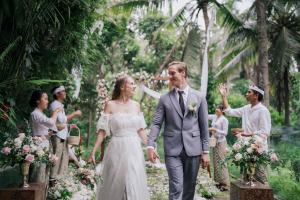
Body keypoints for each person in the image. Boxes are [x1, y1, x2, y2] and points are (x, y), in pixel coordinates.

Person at [148, 61, 210, 200]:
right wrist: (151, 144)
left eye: (172, 73)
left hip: (193, 148)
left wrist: (205, 151)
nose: (169, 76)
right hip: (172, 149)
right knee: (176, 186)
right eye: (168, 73)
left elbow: (204, 126)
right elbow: (157, 123)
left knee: (190, 187)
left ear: (183, 73)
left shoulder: (199, 97)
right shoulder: (164, 99)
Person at [89, 75, 149, 200]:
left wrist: (150, 146)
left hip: (134, 149)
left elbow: (141, 129)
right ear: (122, 87)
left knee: (132, 180)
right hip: (116, 148)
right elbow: (102, 130)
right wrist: (93, 151)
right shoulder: (110, 105)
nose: (134, 86)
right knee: (115, 183)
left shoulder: (136, 105)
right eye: (131, 84)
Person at [219, 83, 271, 184]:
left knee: (261, 181)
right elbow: (229, 112)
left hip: (258, 152)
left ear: (256, 96)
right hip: (245, 151)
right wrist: (224, 96)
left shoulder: (263, 111)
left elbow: (265, 132)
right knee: (246, 181)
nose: (246, 94)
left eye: (249, 92)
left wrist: (245, 134)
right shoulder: (246, 108)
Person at [49, 85, 82, 184]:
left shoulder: (59, 104)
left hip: (62, 136)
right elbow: (61, 120)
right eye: (63, 91)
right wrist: (75, 114)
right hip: (57, 136)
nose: (65, 93)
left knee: (62, 158)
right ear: (57, 94)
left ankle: (58, 181)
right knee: (56, 158)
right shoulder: (55, 104)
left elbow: (63, 122)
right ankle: (52, 180)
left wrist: (69, 125)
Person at [29, 90, 61, 184]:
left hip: (44, 147)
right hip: (39, 148)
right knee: (38, 178)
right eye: (45, 99)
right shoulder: (35, 113)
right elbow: (51, 122)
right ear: (38, 101)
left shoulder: (41, 114)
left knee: (44, 177)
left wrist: (49, 133)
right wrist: (55, 112)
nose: (47, 101)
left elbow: (44, 130)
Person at [208, 105, 230, 191]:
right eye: (216, 108)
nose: (216, 109)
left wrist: (215, 129)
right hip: (214, 141)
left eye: (218, 108)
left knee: (222, 161)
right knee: (216, 162)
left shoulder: (224, 120)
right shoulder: (214, 117)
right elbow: (206, 115)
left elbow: (225, 132)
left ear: (222, 111)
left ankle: (224, 184)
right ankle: (218, 182)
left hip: (221, 142)